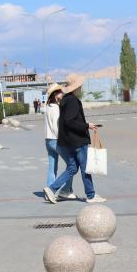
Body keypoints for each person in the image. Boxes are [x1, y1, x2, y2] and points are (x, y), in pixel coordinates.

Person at [43, 74, 106, 204]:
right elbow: (70, 121)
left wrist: (86, 124)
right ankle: (91, 195)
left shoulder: (65, 100)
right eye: (80, 86)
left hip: (68, 141)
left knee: (72, 168)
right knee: (85, 168)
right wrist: (86, 125)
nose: (81, 88)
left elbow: (67, 121)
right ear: (76, 87)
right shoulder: (73, 101)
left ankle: (52, 188)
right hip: (77, 140)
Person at [44, 83, 75, 200]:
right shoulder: (56, 108)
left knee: (52, 167)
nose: (63, 93)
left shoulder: (48, 107)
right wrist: (64, 140)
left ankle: (49, 191)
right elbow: (57, 126)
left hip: (48, 140)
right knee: (72, 164)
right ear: (55, 94)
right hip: (56, 140)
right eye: (60, 92)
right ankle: (66, 190)